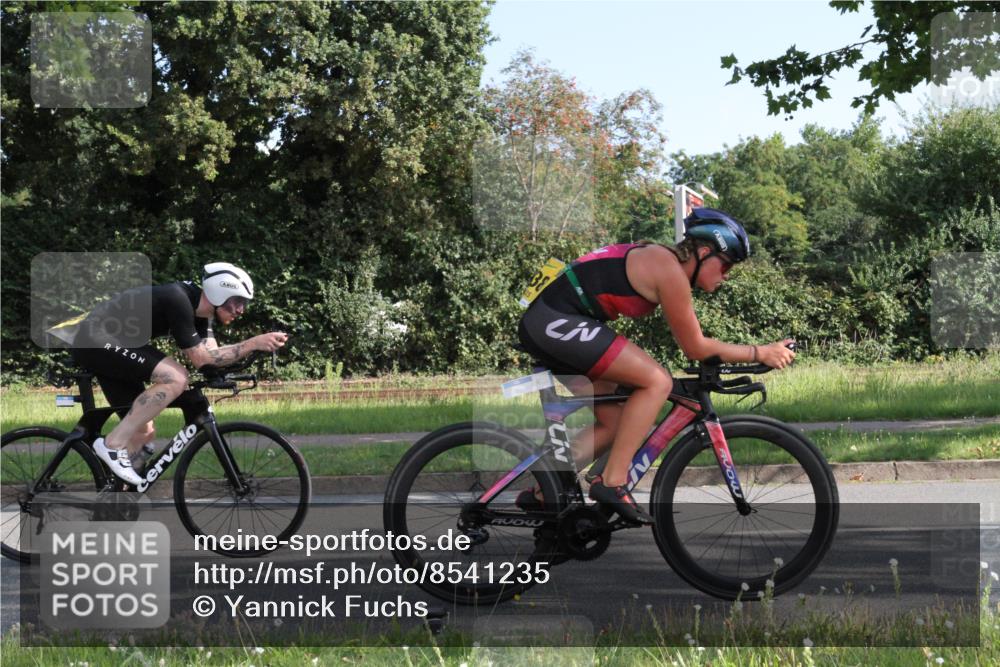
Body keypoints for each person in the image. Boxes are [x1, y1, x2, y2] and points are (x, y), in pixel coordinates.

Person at [516, 208, 795, 524]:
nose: (726, 274)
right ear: (704, 253)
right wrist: (760, 352)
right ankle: (612, 482)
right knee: (656, 382)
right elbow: (695, 348)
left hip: (550, 321)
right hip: (554, 319)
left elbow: (696, 344)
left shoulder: (664, 262)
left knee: (619, 419)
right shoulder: (669, 270)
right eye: (726, 264)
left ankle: (547, 485)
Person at [68, 262, 288, 486]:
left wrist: (239, 363)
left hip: (113, 344)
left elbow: (212, 358)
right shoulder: (178, 299)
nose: (241, 309)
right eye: (237, 301)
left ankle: (119, 497)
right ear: (219, 292)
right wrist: (253, 343)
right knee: (177, 377)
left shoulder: (202, 315)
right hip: (95, 339)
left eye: (244, 303)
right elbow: (201, 359)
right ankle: (112, 445)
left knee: (143, 431)